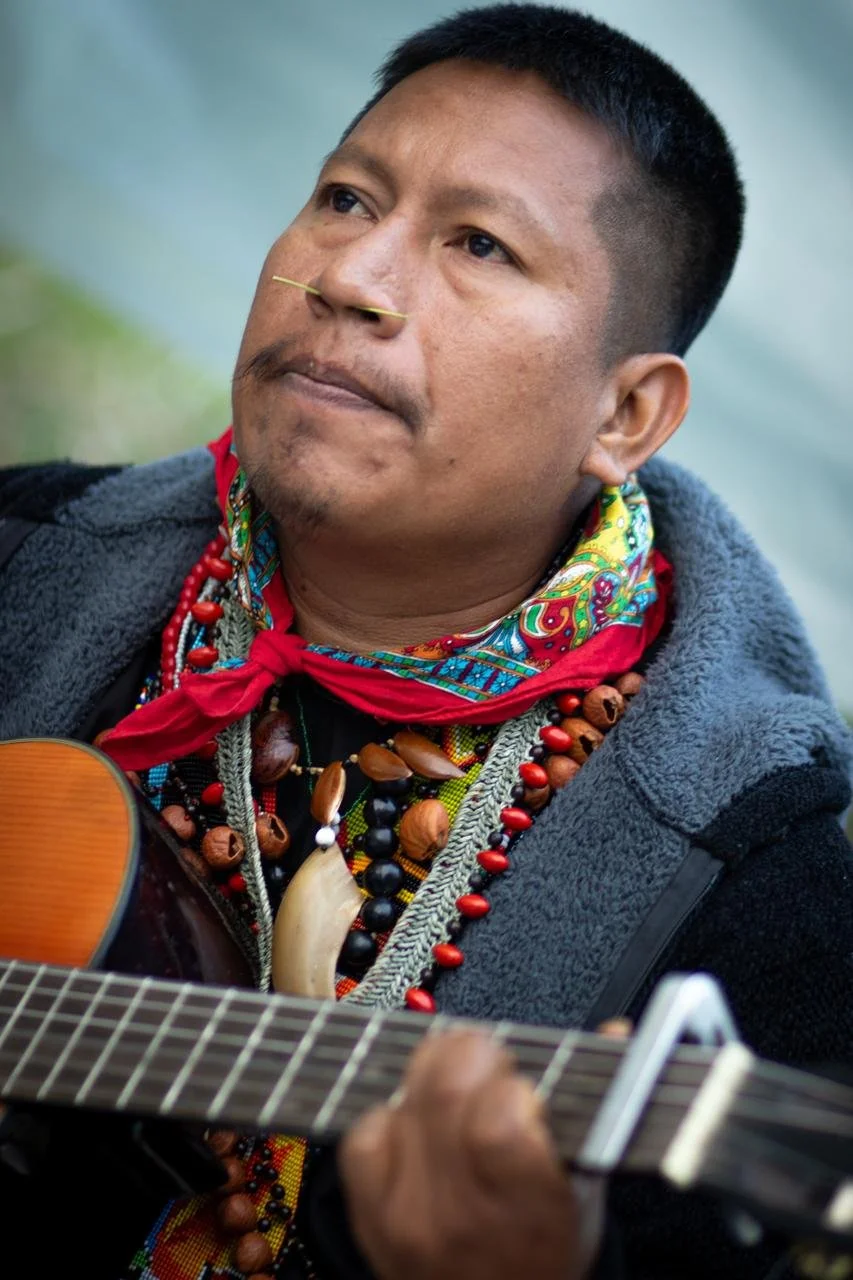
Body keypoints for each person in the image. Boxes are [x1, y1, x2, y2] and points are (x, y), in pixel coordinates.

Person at [1, 5, 852, 1279]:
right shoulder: (23, 551)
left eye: (479, 243)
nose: (352, 276)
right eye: (345, 198)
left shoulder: (767, 892)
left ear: (627, 411)